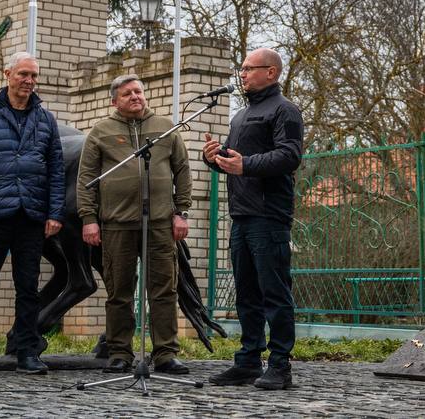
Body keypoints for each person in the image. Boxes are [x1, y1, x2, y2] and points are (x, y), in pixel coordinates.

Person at [0, 52, 65, 377]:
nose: (29, 81)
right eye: (23, 74)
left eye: (33, 76)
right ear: (8, 75)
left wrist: (54, 213)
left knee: (28, 288)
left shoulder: (46, 119)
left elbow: (56, 170)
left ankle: (27, 352)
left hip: (31, 215)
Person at [201, 48, 303, 390]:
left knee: (274, 293)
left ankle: (280, 365)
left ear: (271, 72)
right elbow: (236, 161)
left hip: (268, 215)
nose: (242, 74)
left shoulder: (285, 110)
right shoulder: (241, 116)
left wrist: (245, 164)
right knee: (246, 294)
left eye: (248, 68)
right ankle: (247, 361)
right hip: (241, 215)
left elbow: (289, 156)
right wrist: (214, 158)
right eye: (241, 68)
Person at [77, 75, 192, 375]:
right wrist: (89, 219)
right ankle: (120, 353)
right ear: (114, 101)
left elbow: (182, 170)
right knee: (119, 291)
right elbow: (86, 178)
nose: (135, 96)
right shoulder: (101, 131)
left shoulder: (165, 127)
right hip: (117, 224)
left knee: (164, 290)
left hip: (160, 223)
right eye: (127, 93)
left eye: (139, 91)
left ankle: (165, 353)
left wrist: (181, 212)